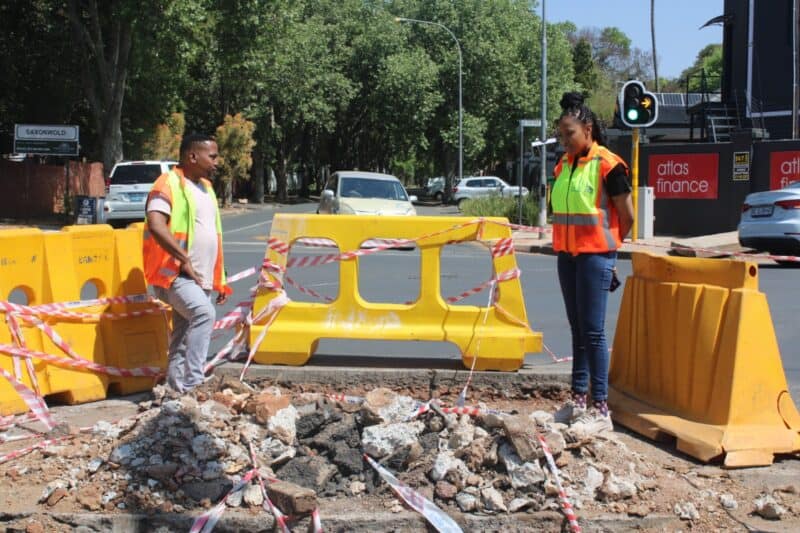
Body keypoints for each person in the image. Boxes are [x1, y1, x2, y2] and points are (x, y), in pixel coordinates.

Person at [550, 92, 634, 436]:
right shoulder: (563, 165)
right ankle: (578, 402)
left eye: (569, 133)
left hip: (595, 256)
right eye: (561, 134)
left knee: (594, 332)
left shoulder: (608, 165)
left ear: (587, 129)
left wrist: (610, 252)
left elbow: (627, 216)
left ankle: (600, 408)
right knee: (578, 330)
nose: (564, 140)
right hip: (567, 257)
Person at [143, 133, 231, 393]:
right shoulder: (167, 183)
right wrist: (183, 259)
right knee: (204, 314)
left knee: (182, 335)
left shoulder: (206, 187)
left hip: (199, 275)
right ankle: (194, 382)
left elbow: (210, 233)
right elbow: (156, 224)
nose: (217, 161)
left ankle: (175, 390)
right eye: (212, 156)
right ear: (193, 156)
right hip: (174, 273)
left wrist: (220, 276)